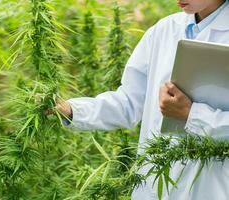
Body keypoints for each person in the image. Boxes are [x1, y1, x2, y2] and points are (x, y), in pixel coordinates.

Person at [51, 0, 229, 199]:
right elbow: (129, 102)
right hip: (155, 187)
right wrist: (71, 109)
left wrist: (192, 115)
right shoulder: (162, 31)